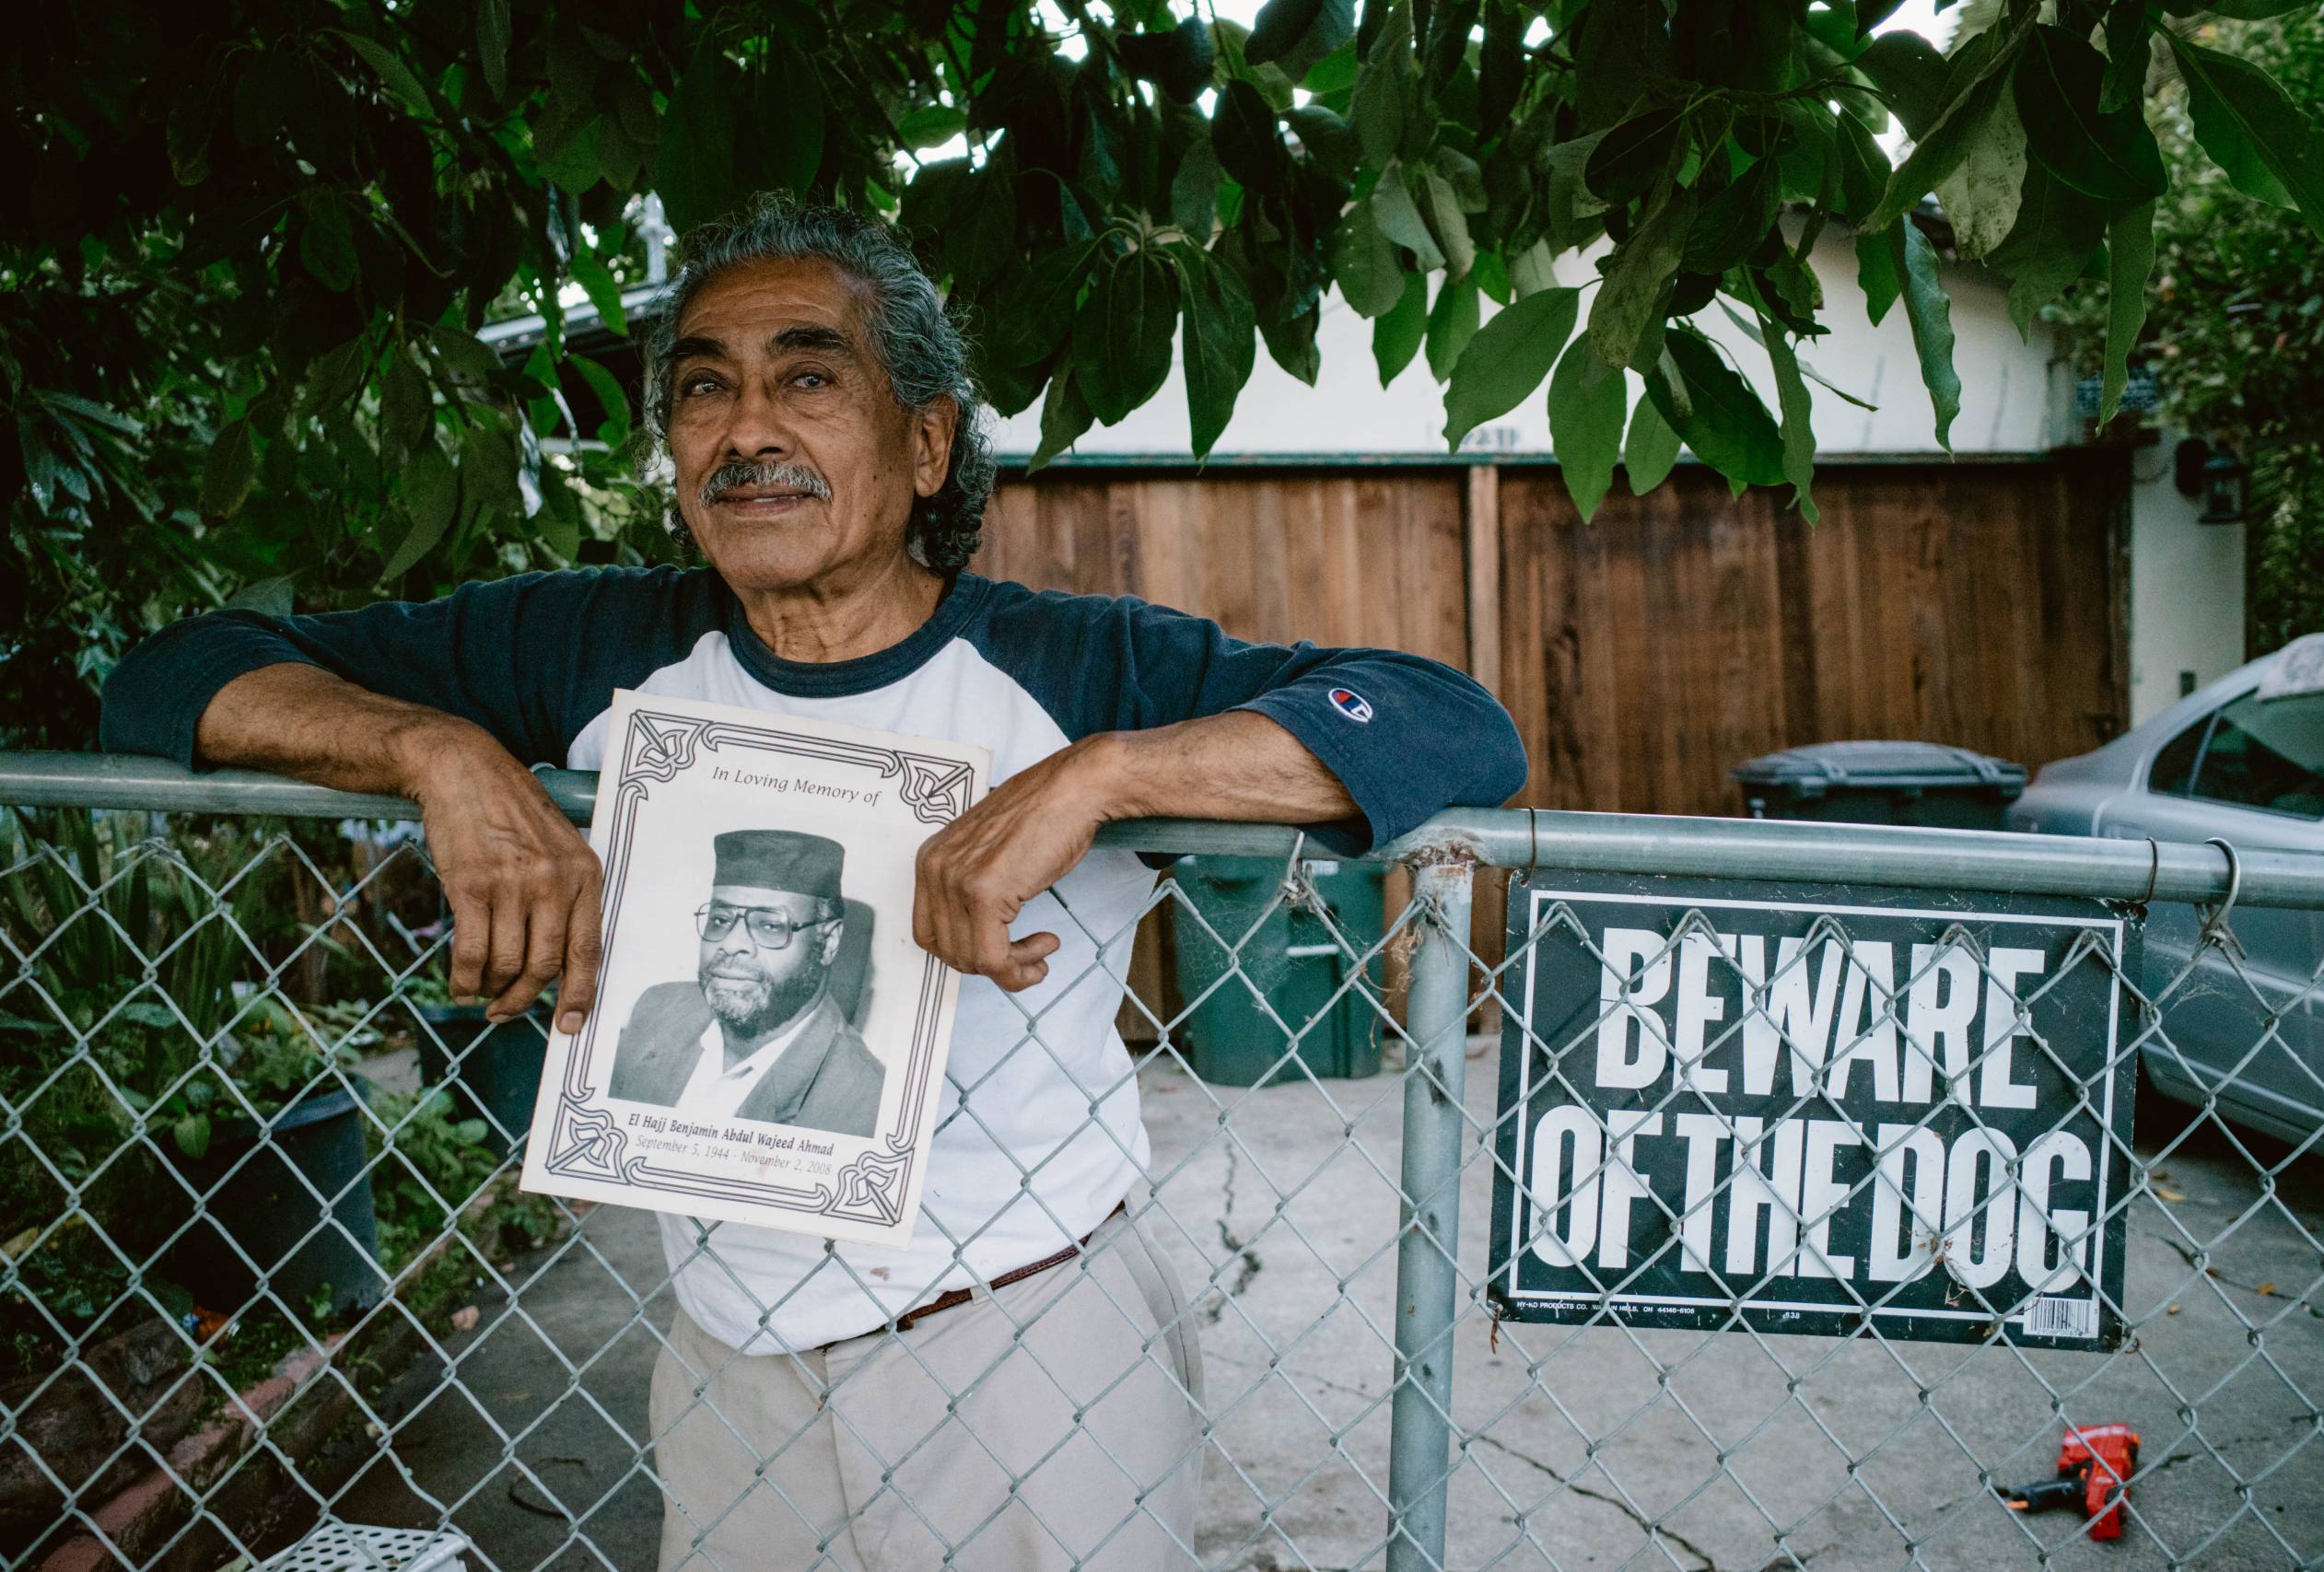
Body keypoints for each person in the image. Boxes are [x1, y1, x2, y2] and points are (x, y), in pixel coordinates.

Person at [99, 196, 1527, 1570]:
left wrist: (1100, 774)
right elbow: (174, 674)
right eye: (704, 389)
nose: (749, 429)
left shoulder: (1067, 664)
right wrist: (436, 747)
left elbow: (1450, 722)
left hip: (1022, 1334)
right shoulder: (591, 641)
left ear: (924, 443)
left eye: (808, 377)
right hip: (727, 1356)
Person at [609, 829, 884, 1134]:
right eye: (721, 920)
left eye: (769, 925)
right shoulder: (658, 1009)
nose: (731, 943)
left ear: (829, 942)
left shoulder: (864, 1106)